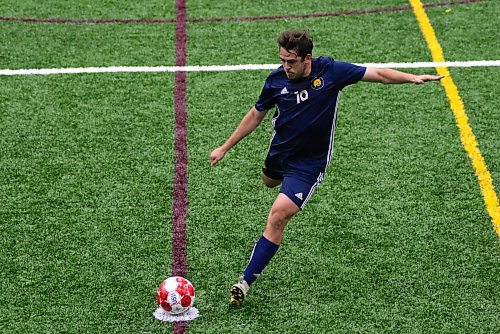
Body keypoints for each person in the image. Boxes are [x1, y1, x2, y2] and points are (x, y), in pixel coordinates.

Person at [210, 29, 443, 306]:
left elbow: (378, 74)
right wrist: (225, 147)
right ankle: (277, 178)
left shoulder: (332, 72)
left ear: (307, 59)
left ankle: (244, 282)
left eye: (291, 62)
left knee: (278, 216)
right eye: (283, 60)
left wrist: (411, 78)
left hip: (309, 164)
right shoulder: (275, 81)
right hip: (281, 152)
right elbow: (255, 114)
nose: (286, 67)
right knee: (268, 182)